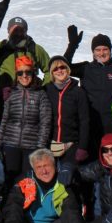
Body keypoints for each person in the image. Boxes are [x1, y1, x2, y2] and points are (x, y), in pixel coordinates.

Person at [64, 27, 112, 221]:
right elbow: (62, 66)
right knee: (88, 170)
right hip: (89, 129)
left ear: (110, 50)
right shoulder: (86, 68)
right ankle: (89, 207)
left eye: (105, 49)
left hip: (111, 129)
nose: (101, 53)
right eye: (98, 50)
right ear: (92, 52)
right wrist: (72, 45)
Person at [0, 55, 51, 204]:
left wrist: (40, 146)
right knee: (10, 179)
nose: (24, 76)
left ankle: (26, 214)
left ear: (33, 73)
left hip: (31, 146)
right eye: (20, 73)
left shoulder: (41, 94)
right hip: (10, 143)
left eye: (28, 72)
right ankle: (8, 210)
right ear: (16, 75)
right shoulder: (12, 94)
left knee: (28, 181)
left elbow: (45, 123)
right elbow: (4, 120)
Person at [0, 17, 51, 119]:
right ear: (8, 30)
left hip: (30, 97)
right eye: (14, 29)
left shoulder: (34, 49)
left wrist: (43, 88)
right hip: (5, 96)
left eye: (21, 29)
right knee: (4, 127)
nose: (17, 33)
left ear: (26, 31)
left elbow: (50, 70)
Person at [44, 56, 89, 188]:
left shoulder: (78, 92)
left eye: (62, 67)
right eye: (55, 68)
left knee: (67, 181)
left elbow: (85, 121)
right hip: (49, 144)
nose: (59, 70)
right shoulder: (46, 90)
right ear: (51, 73)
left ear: (68, 69)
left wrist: (82, 147)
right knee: (49, 182)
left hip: (70, 144)